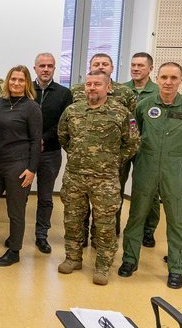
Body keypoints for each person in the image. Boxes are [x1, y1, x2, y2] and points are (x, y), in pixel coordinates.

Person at [119, 62, 182, 289]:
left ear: (181, 80)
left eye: (173, 78)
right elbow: (134, 136)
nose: (168, 82)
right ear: (157, 78)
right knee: (137, 216)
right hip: (146, 167)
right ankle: (129, 260)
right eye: (164, 77)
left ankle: (176, 268)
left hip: (175, 169)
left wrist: (177, 160)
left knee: (177, 220)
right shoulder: (144, 106)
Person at [57, 70, 138, 285]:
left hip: (106, 180)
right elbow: (63, 137)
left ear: (108, 87)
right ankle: (73, 258)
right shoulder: (72, 111)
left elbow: (132, 143)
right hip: (75, 177)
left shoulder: (121, 113)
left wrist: (112, 161)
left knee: (105, 224)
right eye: (89, 84)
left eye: (97, 84)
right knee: (72, 220)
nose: (92, 88)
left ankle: (103, 266)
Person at [71, 52, 138, 243]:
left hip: (111, 165)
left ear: (112, 68)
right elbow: (66, 132)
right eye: (96, 63)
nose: (100, 66)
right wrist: (79, 152)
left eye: (105, 63)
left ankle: (104, 237)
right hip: (81, 164)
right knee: (78, 204)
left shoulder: (125, 92)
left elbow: (131, 131)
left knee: (109, 203)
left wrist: (115, 158)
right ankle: (81, 237)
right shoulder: (76, 90)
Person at [0, 65, 42, 267]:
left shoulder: (32, 107)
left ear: (27, 84)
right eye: (13, 79)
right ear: (7, 81)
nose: (16, 83)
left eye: (21, 80)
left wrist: (32, 169)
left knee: (15, 210)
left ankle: (14, 250)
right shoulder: (0, 103)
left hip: (18, 165)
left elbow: (36, 140)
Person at [32, 53, 73, 254]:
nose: (46, 69)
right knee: (19, 196)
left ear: (54, 69)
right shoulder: (26, 89)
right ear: (35, 68)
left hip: (50, 152)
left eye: (50, 66)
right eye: (42, 66)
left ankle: (41, 235)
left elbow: (63, 123)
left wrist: (43, 139)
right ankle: (15, 234)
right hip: (25, 152)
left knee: (46, 197)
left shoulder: (64, 93)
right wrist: (32, 142)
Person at [125, 51, 160, 247]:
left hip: (147, 148)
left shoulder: (158, 92)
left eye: (140, 65)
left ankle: (148, 230)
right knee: (115, 187)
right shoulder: (121, 90)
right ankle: (113, 228)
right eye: (133, 65)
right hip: (123, 147)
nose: (136, 69)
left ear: (150, 68)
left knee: (149, 192)